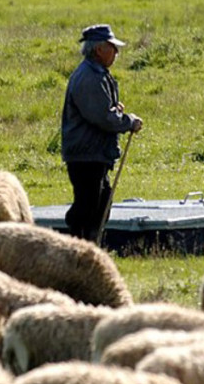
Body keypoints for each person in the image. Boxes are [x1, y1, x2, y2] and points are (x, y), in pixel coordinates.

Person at [61, 24, 143, 243]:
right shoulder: (89, 77)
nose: (116, 53)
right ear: (98, 50)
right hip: (87, 155)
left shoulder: (95, 73)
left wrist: (115, 110)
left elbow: (101, 110)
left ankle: (88, 247)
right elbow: (101, 117)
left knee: (100, 203)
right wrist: (128, 122)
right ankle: (79, 248)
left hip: (94, 153)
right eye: (112, 47)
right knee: (87, 207)